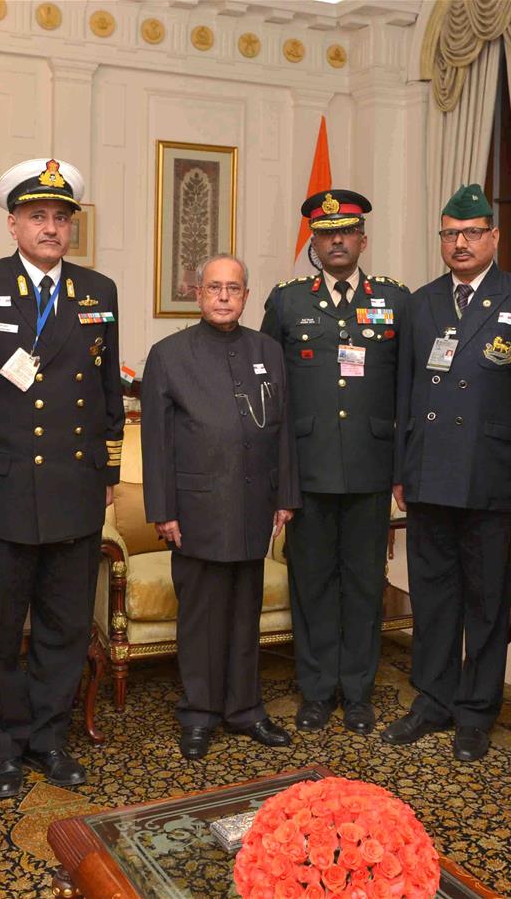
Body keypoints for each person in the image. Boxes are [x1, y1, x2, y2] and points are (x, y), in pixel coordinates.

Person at [0, 158, 123, 798]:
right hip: (0, 487)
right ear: (13, 222)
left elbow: (108, 393)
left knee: (64, 626)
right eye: (38, 216)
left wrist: (109, 471)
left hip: (74, 487)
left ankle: (49, 737)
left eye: (61, 218)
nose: (50, 228)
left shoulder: (96, 291)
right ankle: (1, 744)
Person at [386, 183, 511, 758]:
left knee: (485, 599)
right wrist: (401, 468)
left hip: (490, 473)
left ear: (493, 237)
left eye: (472, 233)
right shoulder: (419, 302)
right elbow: (404, 392)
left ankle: (476, 710)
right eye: (450, 234)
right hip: (427, 472)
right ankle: (432, 699)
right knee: (433, 595)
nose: (461, 243)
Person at [141, 254, 302, 760]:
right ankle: (199, 713)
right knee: (201, 616)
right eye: (215, 288)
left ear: (247, 296)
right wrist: (163, 510)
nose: (225, 297)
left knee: (243, 612)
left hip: (254, 504)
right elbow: (156, 442)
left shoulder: (267, 350)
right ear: (198, 294)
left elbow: (283, 430)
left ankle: (245, 709)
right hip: (195, 509)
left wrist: (285, 497)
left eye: (234, 288)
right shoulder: (168, 354)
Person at [260, 189, 409, 735]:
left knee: (366, 583)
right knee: (314, 583)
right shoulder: (287, 300)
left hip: (370, 468)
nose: (337, 241)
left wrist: (400, 470)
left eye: (346, 232)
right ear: (314, 244)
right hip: (308, 467)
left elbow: (406, 387)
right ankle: (318, 690)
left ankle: (360, 692)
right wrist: (278, 474)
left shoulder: (394, 298)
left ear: (362, 240)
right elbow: (269, 387)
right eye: (326, 235)